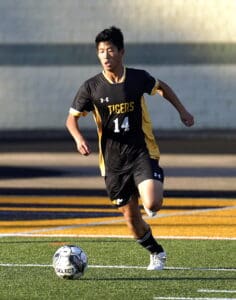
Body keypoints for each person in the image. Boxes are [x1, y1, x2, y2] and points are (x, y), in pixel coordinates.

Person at [66, 26, 194, 270]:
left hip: (141, 152)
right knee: (132, 220)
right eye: (101, 51)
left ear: (121, 52)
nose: (105, 55)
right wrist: (78, 137)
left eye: (110, 50)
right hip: (113, 164)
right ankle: (156, 251)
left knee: (154, 203)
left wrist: (183, 111)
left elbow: (162, 87)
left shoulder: (137, 78)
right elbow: (71, 119)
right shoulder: (91, 87)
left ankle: (148, 189)